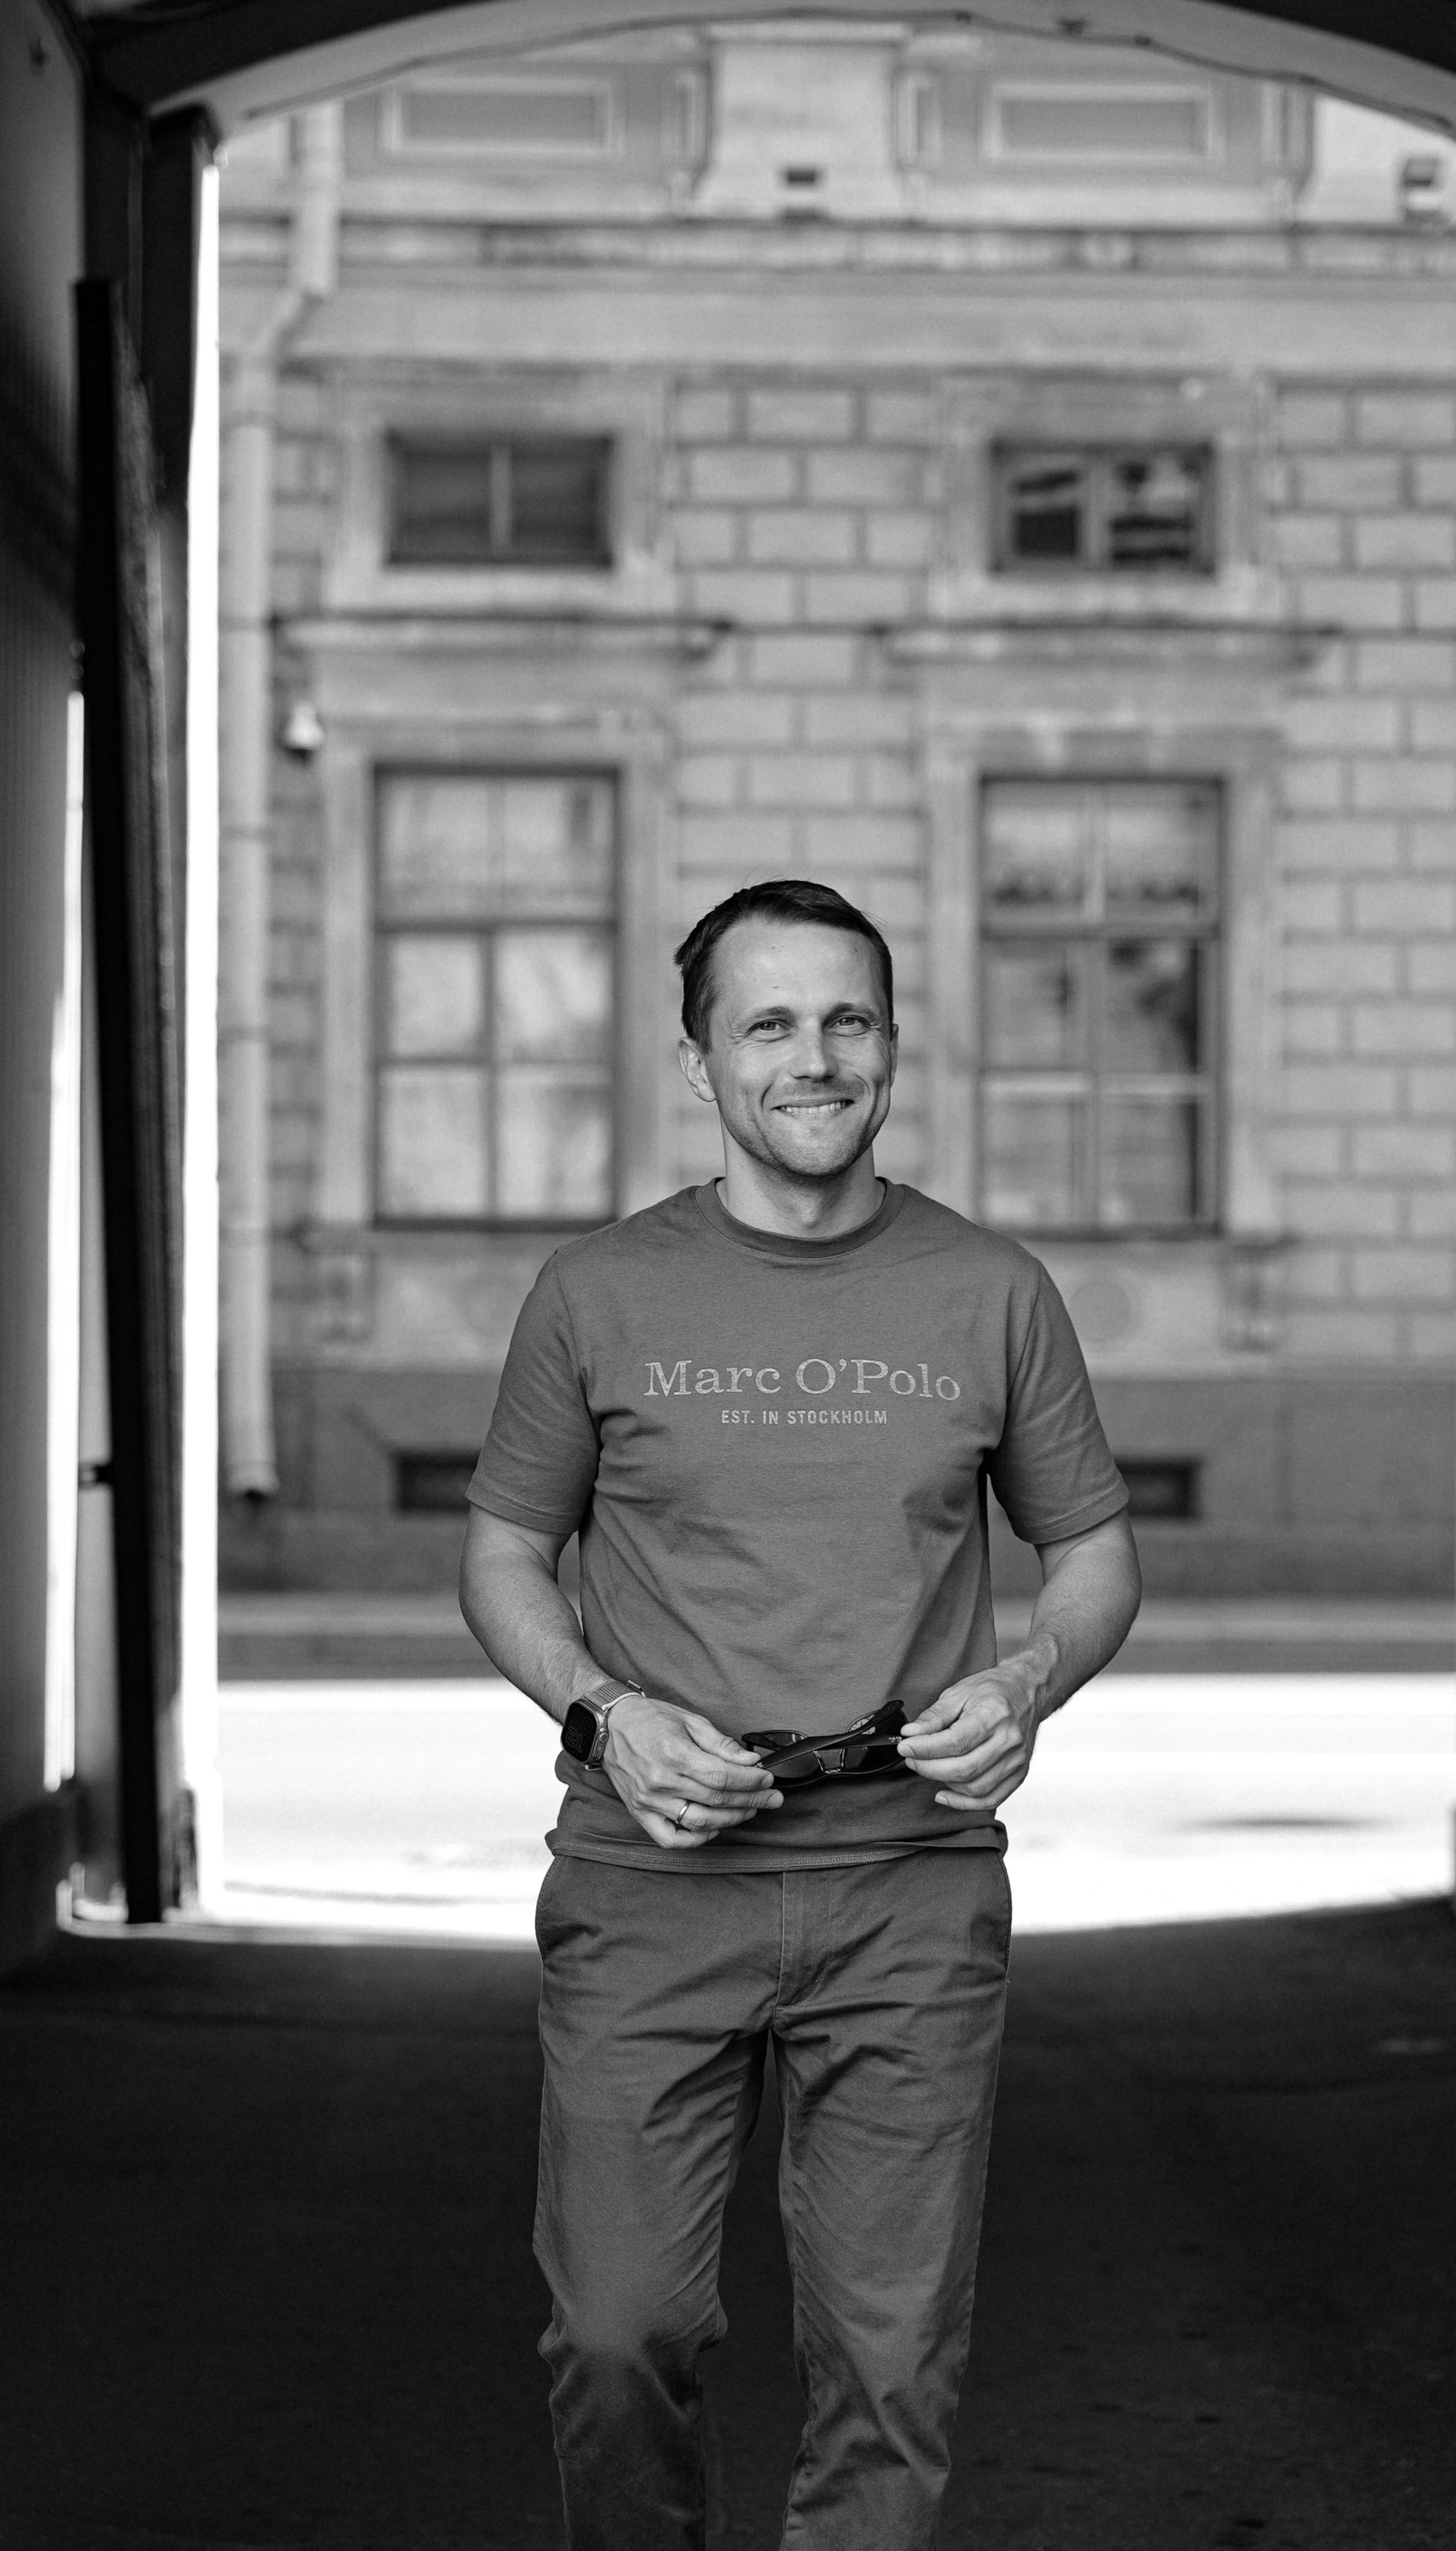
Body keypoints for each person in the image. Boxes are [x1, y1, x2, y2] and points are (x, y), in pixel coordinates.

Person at [460, 876, 1141, 2550]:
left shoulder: (990, 1288)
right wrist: (604, 1712)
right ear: (702, 1061)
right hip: (651, 1878)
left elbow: (1094, 1552)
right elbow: (500, 1553)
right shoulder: (599, 1291)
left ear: (893, 1043)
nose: (814, 1056)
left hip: (909, 1882)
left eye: (848, 1019)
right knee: (616, 2333)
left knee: (890, 2366)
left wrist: (1027, 1680)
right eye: (767, 1022)